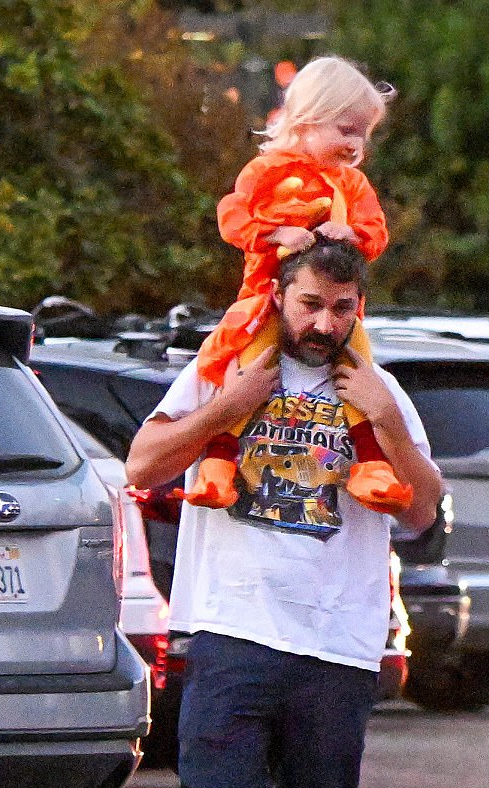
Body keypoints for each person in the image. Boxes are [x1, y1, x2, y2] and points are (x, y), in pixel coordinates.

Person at [126, 238, 442, 788]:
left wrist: (380, 417)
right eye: (310, 304)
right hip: (232, 629)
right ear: (280, 294)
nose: (324, 323)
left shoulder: (375, 387)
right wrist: (220, 409)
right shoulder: (228, 365)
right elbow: (143, 464)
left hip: (337, 646)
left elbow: (423, 511)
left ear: (359, 309)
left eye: (342, 309)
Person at [182, 55, 412, 517]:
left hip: (335, 307)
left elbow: (376, 232)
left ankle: (371, 465)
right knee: (245, 375)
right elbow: (232, 218)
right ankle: (219, 464)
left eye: (362, 133)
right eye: (345, 130)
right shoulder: (266, 172)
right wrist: (278, 233)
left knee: (358, 373)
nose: (355, 143)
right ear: (307, 120)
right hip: (264, 304)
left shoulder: (353, 184)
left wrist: (354, 235)